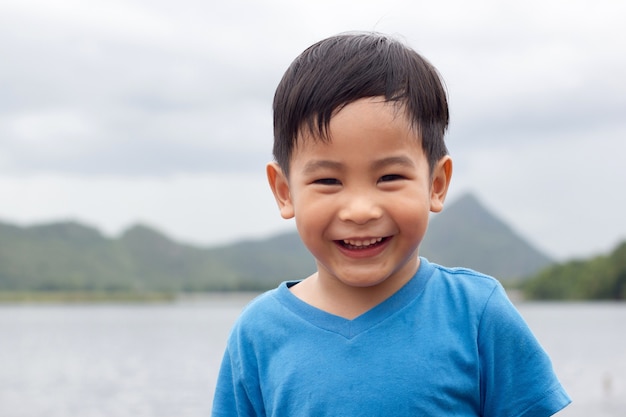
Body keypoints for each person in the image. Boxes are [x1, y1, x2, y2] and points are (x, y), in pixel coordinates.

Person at [211, 32, 571, 416]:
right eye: (328, 181)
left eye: (389, 178)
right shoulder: (259, 335)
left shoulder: (476, 314)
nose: (361, 210)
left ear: (436, 184)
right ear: (285, 191)